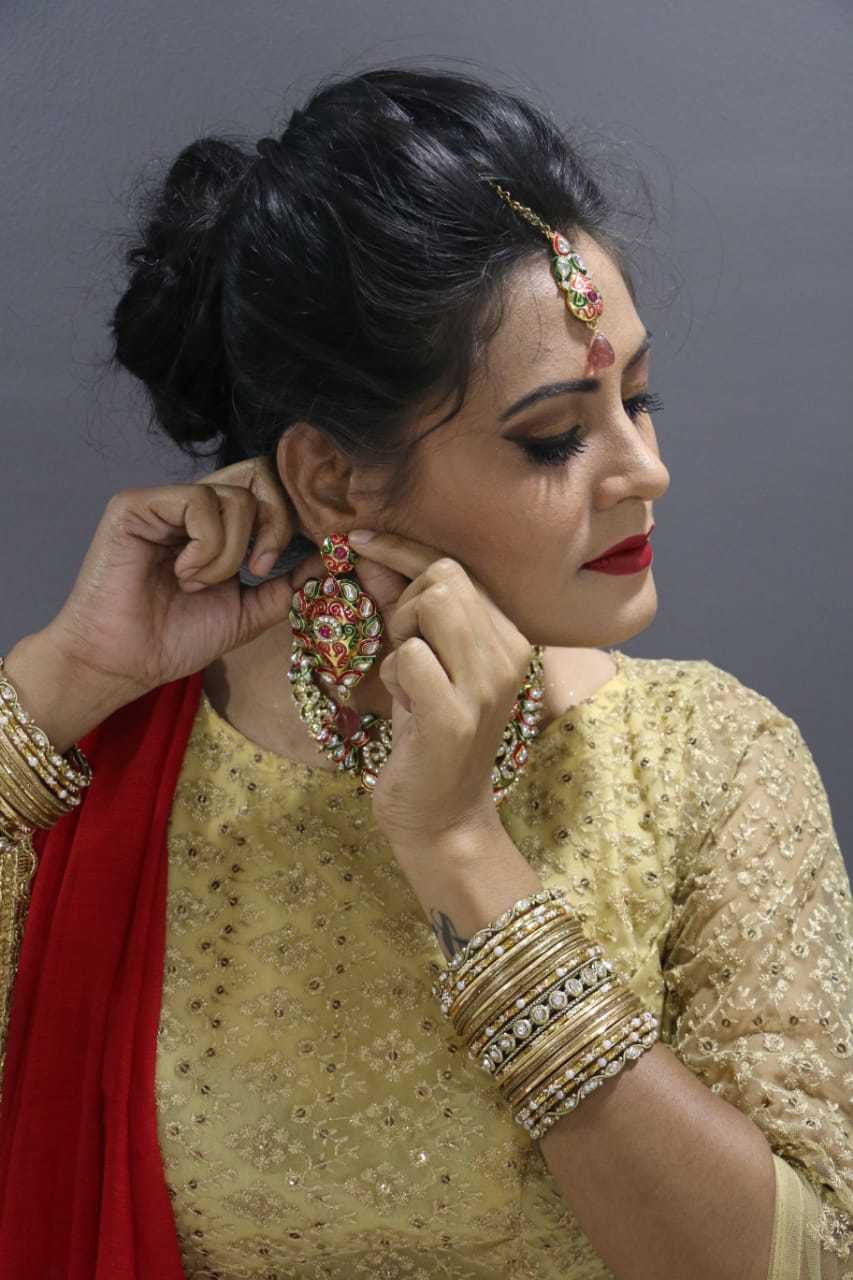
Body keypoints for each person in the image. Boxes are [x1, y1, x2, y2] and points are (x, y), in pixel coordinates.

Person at [0, 66, 850, 1280]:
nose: (644, 468)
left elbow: (804, 1262)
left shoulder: (712, 759)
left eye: (639, 397)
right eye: (554, 436)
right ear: (334, 480)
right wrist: (54, 687)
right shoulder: (120, 769)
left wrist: (463, 852)